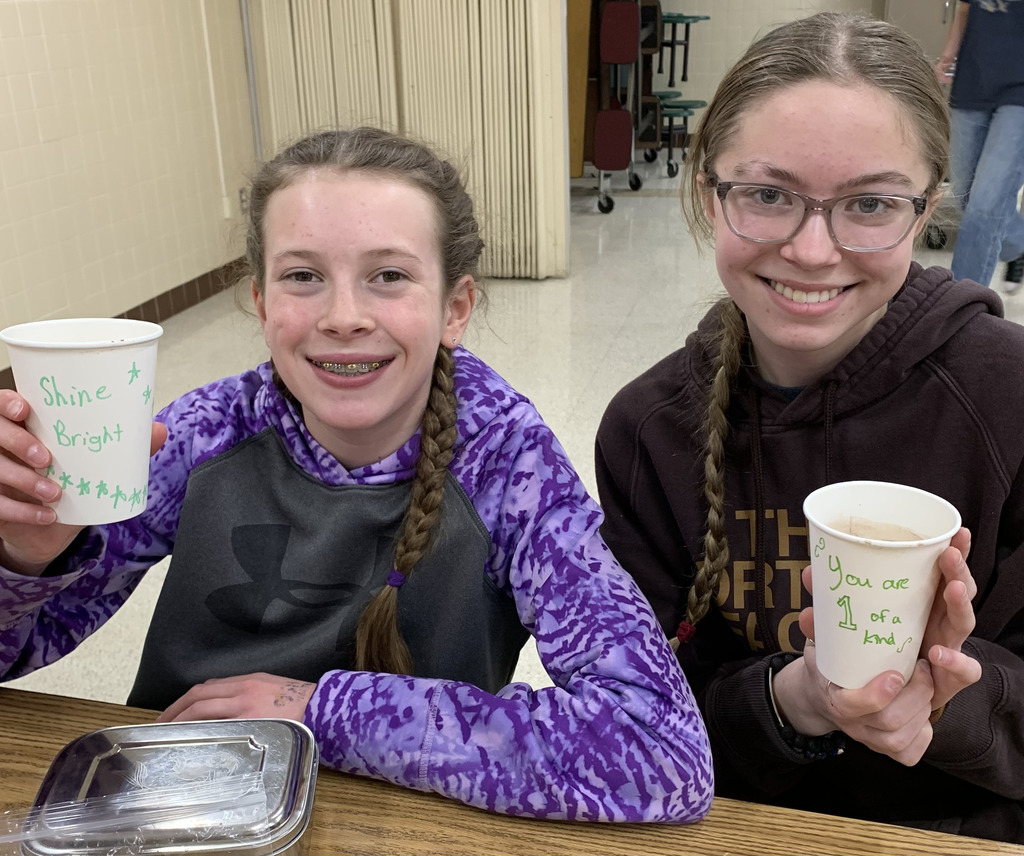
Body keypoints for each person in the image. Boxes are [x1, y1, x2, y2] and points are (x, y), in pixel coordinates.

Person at [0, 127, 713, 823]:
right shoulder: (202, 434)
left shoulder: (507, 461)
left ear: (454, 308)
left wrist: (321, 711)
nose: (343, 317)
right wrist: (25, 559)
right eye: (303, 276)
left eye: (390, 276)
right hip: (182, 809)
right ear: (261, 302)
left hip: (408, 821)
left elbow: (663, 750)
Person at [595, 12, 1024, 844]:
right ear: (705, 187)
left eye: (869, 203)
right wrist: (794, 699)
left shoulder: (1006, 401)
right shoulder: (648, 431)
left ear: (925, 206)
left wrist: (949, 701)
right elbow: (631, 722)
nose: (813, 250)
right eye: (767, 195)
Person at [935, 0, 1024, 293]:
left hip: (1020, 94)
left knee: (985, 206)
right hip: (973, 80)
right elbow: (964, 8)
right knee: (966, 195)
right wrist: (949, 54)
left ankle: (959, 307)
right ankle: (1018, 242)